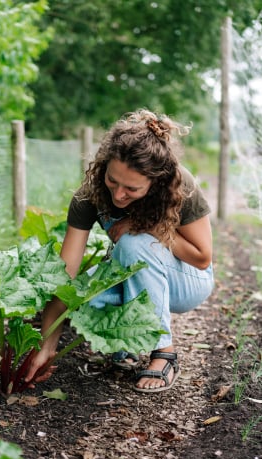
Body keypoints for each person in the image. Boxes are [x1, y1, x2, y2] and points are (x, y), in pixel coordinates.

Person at [25, 109, 214, 393]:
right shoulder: (89, 195)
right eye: (113, 181)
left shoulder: (180, 185)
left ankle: (164, 352)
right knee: (84, 297)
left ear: (155, 182)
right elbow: (64, 276)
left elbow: (202, 257)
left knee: (133, 243)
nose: (118, 194)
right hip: (134, 273)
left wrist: (144, 226)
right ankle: (124, 344)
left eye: (132, 188)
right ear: (104, 167)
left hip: (186, 280)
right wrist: (46, 345)